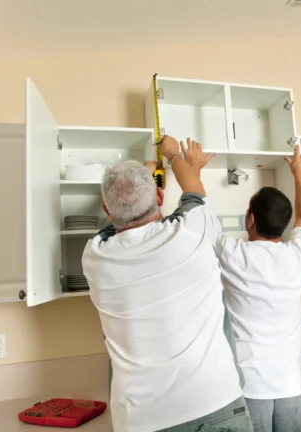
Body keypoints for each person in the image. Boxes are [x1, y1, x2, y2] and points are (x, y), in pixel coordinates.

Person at [81, 136, 253, 432]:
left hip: (142, 420)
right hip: (215, 404)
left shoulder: (95, 257)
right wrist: (173, 156)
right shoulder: (194, 233)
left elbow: (117, 225)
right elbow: (193, 191)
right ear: (160, 198)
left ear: (106, 209)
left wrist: (145, 176)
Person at [217, 145, 301, 432]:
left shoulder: (234, 254)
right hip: (291, 384)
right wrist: (299, 176)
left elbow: (201, 218)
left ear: (250, 220)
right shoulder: (299, 256)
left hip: (249, 385)